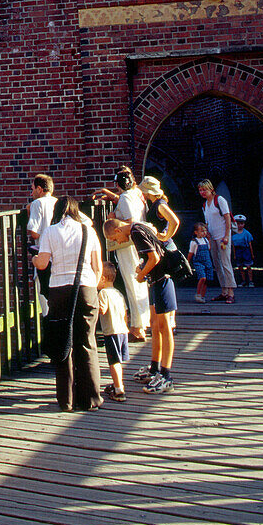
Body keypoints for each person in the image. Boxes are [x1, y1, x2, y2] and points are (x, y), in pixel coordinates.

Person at [33, 195, 103, 411]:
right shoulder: (88, 231)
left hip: (59, 291)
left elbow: (43, 263)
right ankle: (91, 398)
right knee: (87, 342)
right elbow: (97, 265)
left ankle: (66, 400)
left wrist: (34, 259)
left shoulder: (50, 231)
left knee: (63, 343)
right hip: (86, 288)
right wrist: (94, 287)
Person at [103, 216, 177, 394]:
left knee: (165, 326)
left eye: (115, 239)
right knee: (155, 325)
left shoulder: (135, 232)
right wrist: (143, 266)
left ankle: (166, 375)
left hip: (163, 280)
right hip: (157, 280)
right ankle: (154, 367)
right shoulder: (139, 227)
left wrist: (141, 275)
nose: (117, 242)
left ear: (118, 230)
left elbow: (155, 258)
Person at [94, 166, 150, 340]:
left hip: (126, 243)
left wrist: (112, 218)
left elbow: (130, 221)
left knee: (133, 282)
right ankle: (142, 321)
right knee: (138, 281)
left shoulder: (125, 198)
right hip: (137, 242)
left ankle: (138, 327)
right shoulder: (136, 195)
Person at [138, 175, 181, 331]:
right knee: (163, 282)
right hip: (161, 247)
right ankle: (168, 322)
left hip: (165, 248)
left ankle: (170, 322)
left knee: (165, 281)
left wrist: (165, 236)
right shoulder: (155, 204)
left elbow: (175, 221)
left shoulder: (160, 205)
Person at [197, 179, 237, 304]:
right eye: (200, 190)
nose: (203, 192)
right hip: (213, 237)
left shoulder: (219, 200)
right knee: (217, 264)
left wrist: (226, 236)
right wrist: (207, 235)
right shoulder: (205, 205)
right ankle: (224, 291)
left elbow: (227, 217)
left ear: (211, 189)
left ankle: (231, 292)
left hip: (222, 236)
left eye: (205, 190)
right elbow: (207, 222)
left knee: (226, 263)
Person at [97, 261, 129, 401]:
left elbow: (102, 310)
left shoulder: (103, 293)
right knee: (119, 361)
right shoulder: (118, 293)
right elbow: (125, 314)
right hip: (122, 331)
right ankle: (118, 383)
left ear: (102, 278)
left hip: (111, 332)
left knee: (113, 362)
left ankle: (118, 390)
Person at [28, 173, 57, 316]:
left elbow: (34, 232)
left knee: (44, 299)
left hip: (44, 255)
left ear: (39, 189)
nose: (31, 192)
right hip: (59, 255)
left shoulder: (37, 203)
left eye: (32, 189)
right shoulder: (58, 202)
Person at [187, 222, 214, 303]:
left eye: (205, 231)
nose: (204, 233)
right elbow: (191, 253)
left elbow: (208, 249)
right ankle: (198, 294)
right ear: (196, 232)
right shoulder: (194, 242)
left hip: (207, 262)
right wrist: (187, 263)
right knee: (202, 277)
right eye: (202, 231)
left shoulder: (206, 240)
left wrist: (209, 240)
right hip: (199, 262)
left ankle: (202, 296)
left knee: (207, 280)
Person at [232, 214, 255, 287]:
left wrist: (252, 254)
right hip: (238, 251)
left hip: (246, 250)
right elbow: (233, 246)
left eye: (241, 223)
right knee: (240, 267)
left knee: (248, 266)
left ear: (244, 224)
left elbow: (250, 244)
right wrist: (235, 254)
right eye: (238, 224)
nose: (240, 225)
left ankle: (251, 281)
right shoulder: (233, 234)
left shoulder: (246, 233)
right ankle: (243, 281)